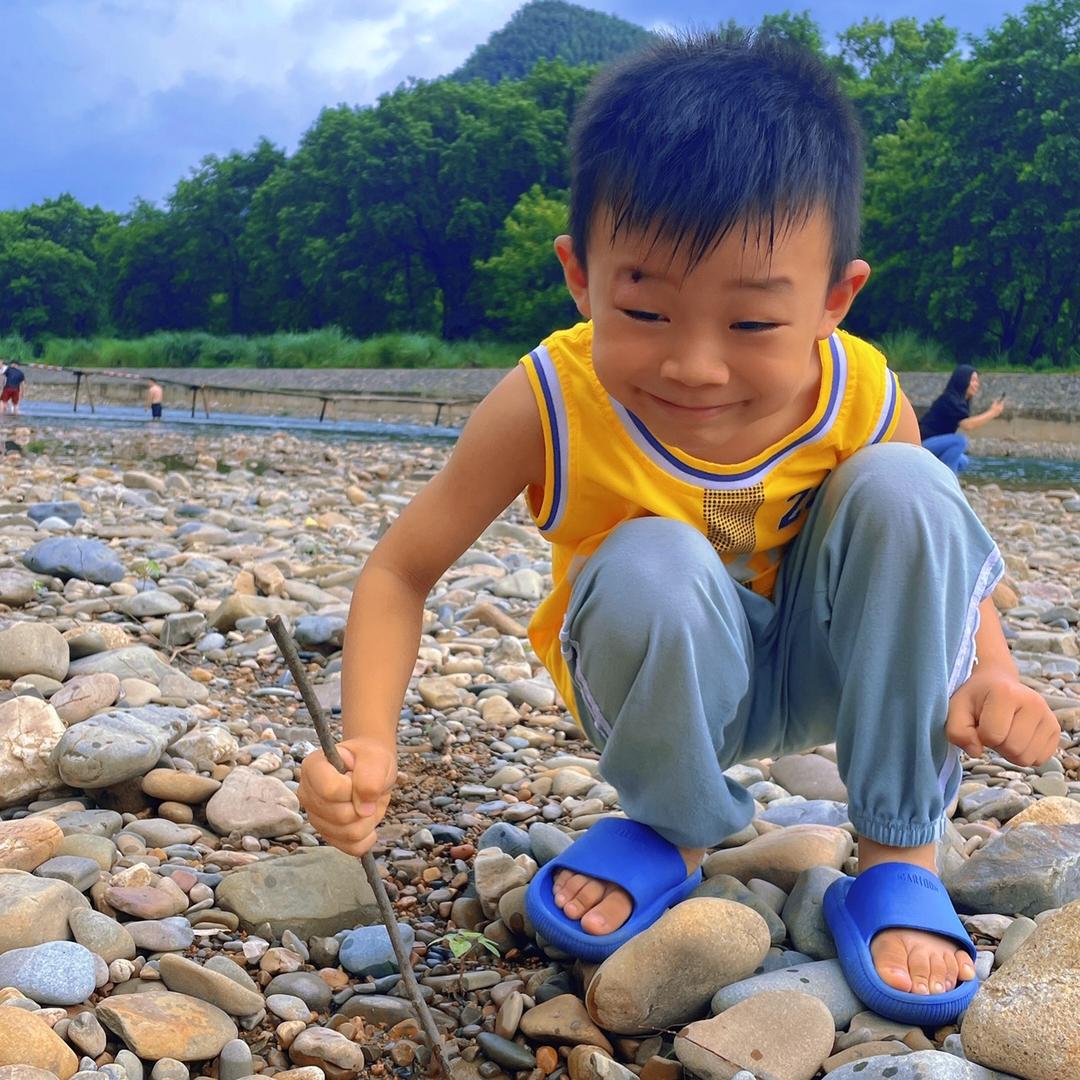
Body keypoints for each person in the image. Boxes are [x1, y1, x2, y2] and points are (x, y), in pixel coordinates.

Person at [299, 31, 1058, 1026]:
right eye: (647, 312)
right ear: (581, 276)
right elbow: (401, 571)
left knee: (911, 484)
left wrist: (990, 671)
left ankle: (898, 851)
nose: (695, 365)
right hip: (662, 677)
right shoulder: (551, 400)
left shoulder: (862, 391)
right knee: (653, 555)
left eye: (751, 324)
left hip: (832, 666)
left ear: (834, 300)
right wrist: (366, 742)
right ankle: (671, 824)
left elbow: (933, 558)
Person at [918, 366, 1004, 473]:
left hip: (932, 445)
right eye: (973, 380)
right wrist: (992, 412)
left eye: (977, 381)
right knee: (959, 441)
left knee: (963, 461)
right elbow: (968, 425)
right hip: (922, 445)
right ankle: (949, 480)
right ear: (962, 381)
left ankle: (937, 477)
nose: (977, 384)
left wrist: (992, 412)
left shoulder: (959, 401)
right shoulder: (948, 400)